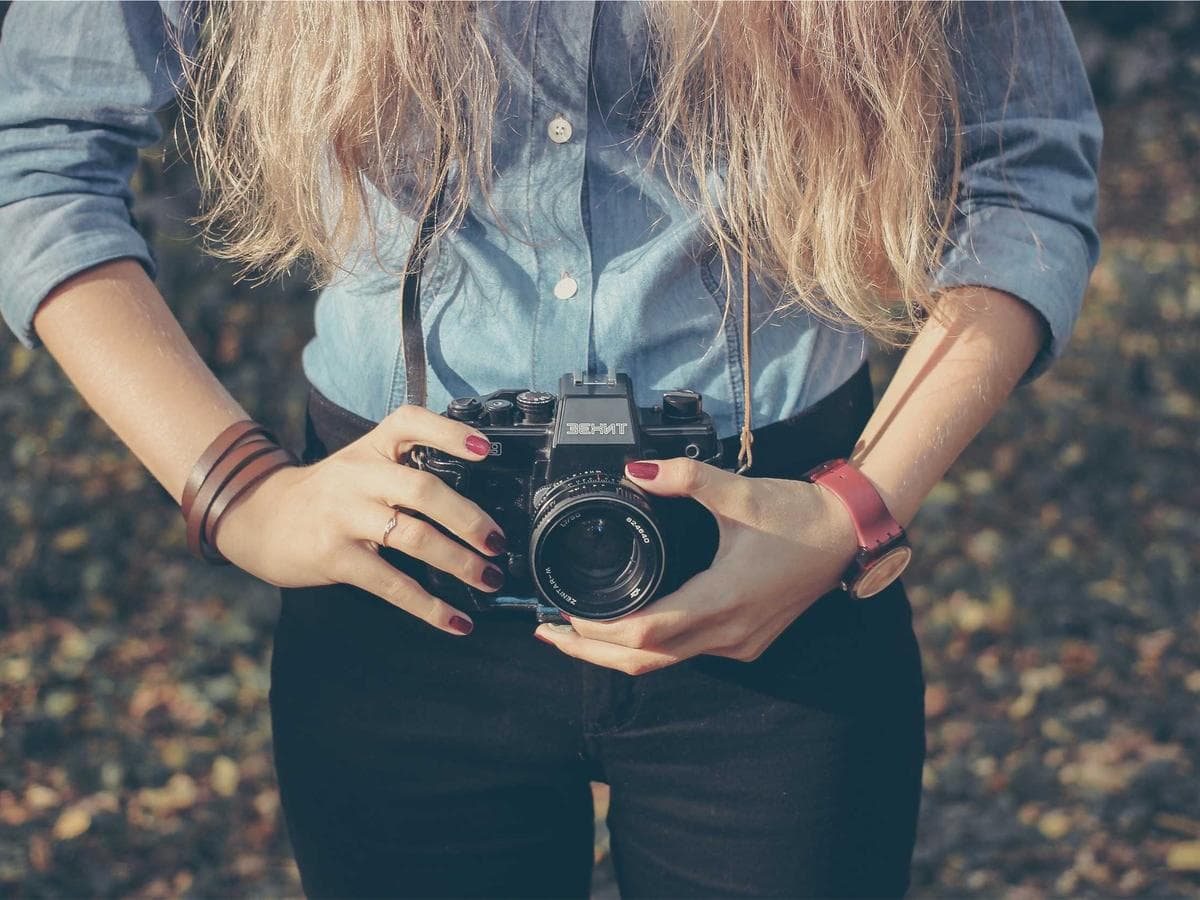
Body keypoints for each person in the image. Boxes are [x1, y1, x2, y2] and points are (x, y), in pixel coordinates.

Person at [0, 1, 1100, 897]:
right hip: (402, 568)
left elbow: (1027, 171)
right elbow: (39, 149)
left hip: (778, 554)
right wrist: (236, 492)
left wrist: (854, 509)